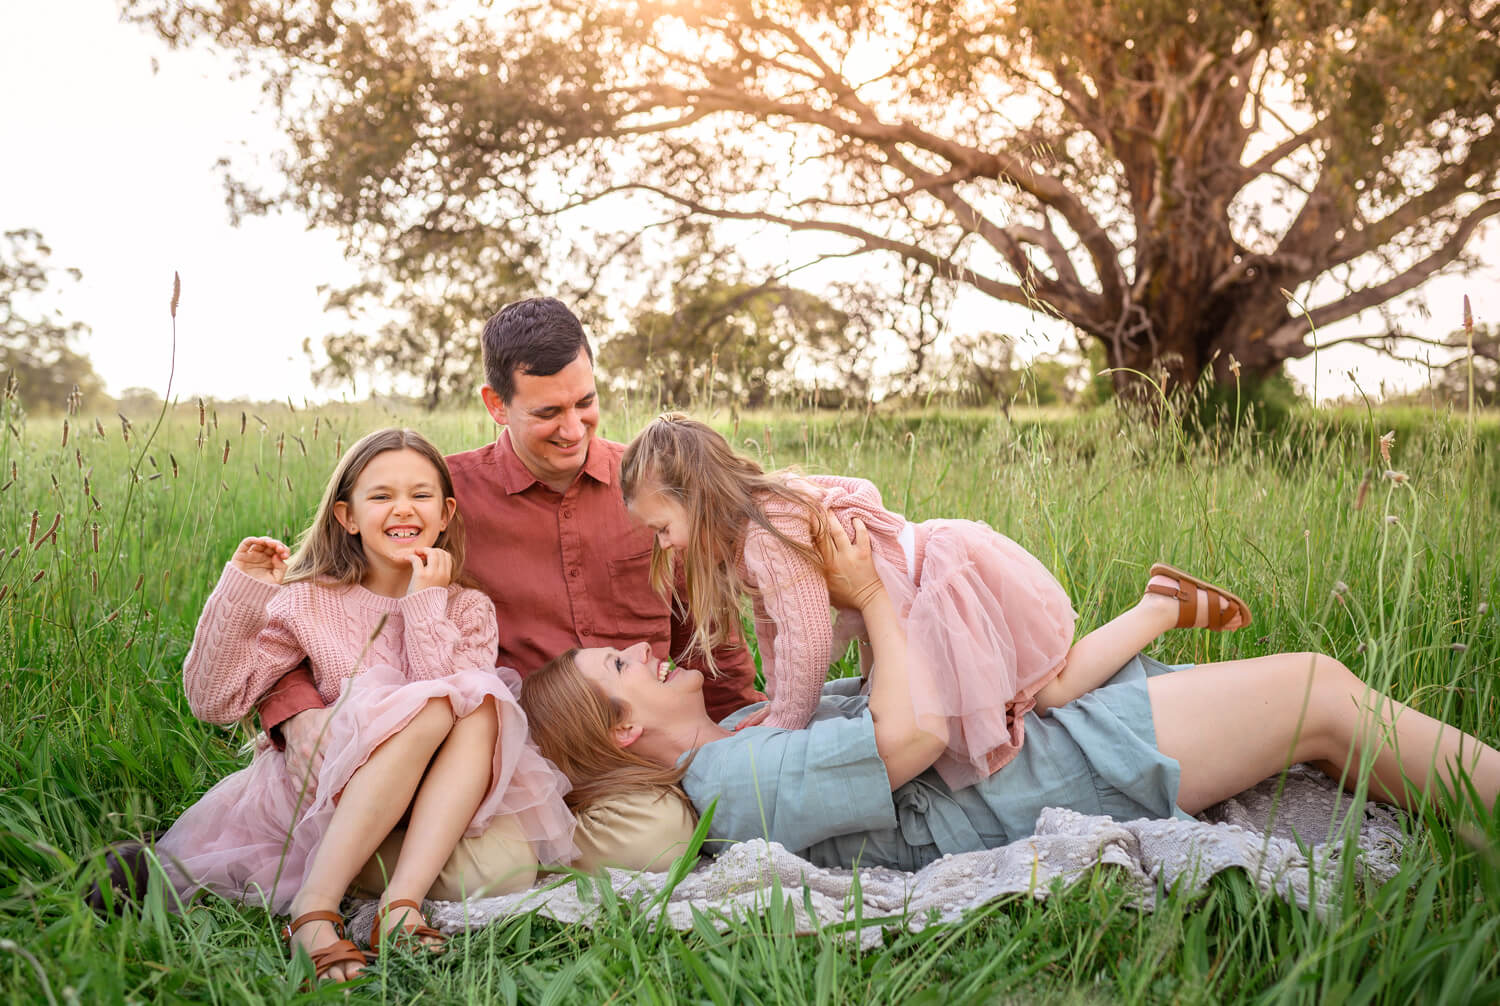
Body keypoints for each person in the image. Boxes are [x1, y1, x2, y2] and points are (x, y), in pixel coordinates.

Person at [519, 516, 1500, 872]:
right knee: (1319, 695)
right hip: (1037, 776)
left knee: (1322, 715)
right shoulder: (732, 780)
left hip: (1028, 738)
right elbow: (905, 740)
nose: (636, 652)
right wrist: (868, 593)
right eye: (615, 666)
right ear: (623, 728)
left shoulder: (739, 727)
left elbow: (877, 688)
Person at [258, 300, 763, 874]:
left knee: (659, 837)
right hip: (505, 762)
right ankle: (332, 855)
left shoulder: (650, 490)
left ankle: (451, 857)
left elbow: (710, 638)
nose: (574, 429)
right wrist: (293, 714)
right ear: (496, 404)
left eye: (586, 403)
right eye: (548, 411)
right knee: (499, 869)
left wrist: (746, 737)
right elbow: (322, 602)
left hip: (634, 758)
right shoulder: (441, 499)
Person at [620, 412, 1252, 787]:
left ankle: (1160, 605)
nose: (664, 543)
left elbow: (809, 633)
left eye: (661, 527)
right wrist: (778, 696)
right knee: (1022, 698)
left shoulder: (767, 530)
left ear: (694, 496)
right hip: (902, 602)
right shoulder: (754, 527)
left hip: (934, 590)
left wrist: (788, 718)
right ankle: (1159, 612)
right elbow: (778, 631)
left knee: (1047, 692)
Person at [154, 428, 576, 983]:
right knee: (434, 705)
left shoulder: (467, 607)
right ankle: (314, 911)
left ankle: (398, 908)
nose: (404, 508)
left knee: (479, 705)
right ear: (347, 515)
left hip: (433, 797)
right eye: (381, 496)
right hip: (328, 788)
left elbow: (453, 701)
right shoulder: (310, 600)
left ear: (446, 512)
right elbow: (214, 701)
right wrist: (242, 594)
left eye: (421, 495)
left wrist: (426, 603)